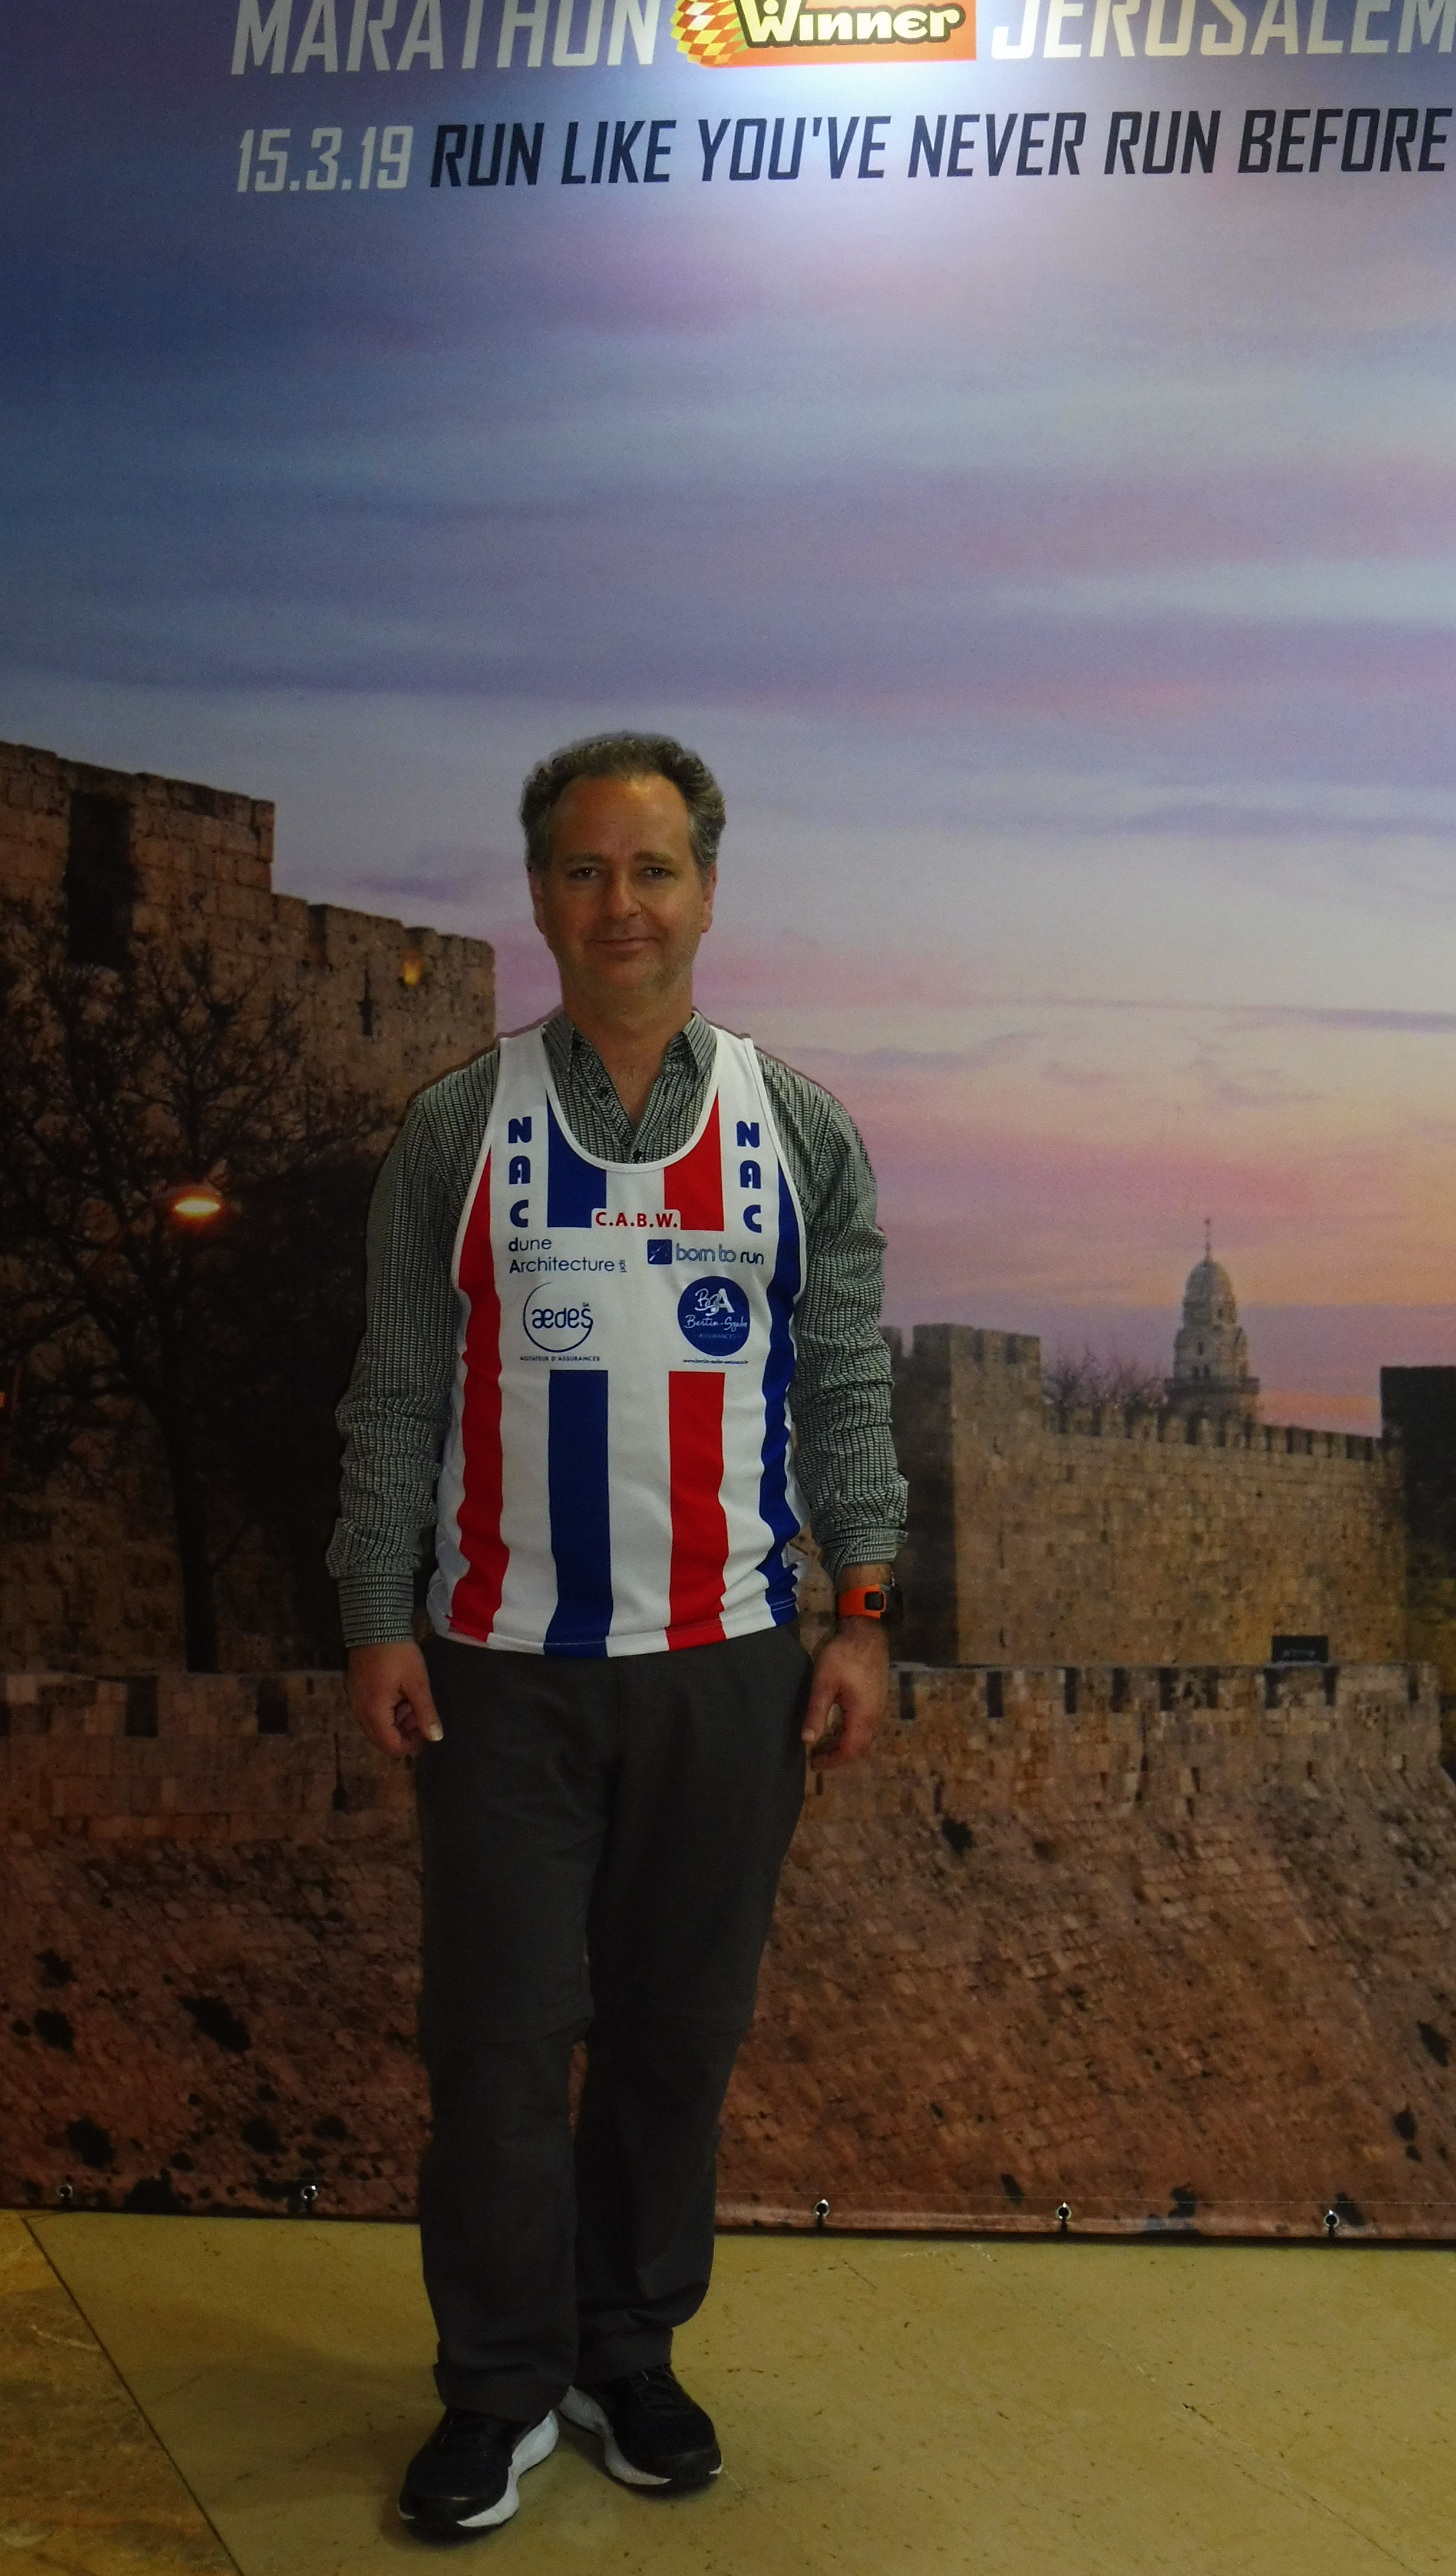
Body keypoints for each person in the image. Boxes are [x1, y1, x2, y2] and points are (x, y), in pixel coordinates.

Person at [330, 731, 905, 2539]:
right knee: (500, 2046)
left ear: (708, 893)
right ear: (539, 897)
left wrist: (863, 1613)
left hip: (728, 1668)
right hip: (500, 1669)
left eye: (653, 870)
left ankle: (624, 2351)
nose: (620, 904)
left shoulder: (797, 1130)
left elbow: (848, 1391)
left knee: (676, 2037)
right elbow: (396, 1395)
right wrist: (373, 1614)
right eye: (584, 870)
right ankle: (496, 2388)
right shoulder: (457, 1129)